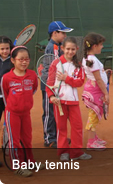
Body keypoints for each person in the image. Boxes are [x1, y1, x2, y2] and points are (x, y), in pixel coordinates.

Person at [1, 46, 46, 177]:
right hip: (12, 113)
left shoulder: (32, 75)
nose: (24, 62)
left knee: (27, 139)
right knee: (14, 140)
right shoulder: (6, 78)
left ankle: (30, 162)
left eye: (26, 59)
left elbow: (33, 90)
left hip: (26, 113)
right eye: (20, 59)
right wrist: (11, 109)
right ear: (13, 61)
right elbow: (5, 95)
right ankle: (17, 166)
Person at [46, 37, 92, 161]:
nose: (70, 52)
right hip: (59, 102)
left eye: (72, 49)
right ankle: (63, 152)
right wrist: (51, 96)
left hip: (73, 101)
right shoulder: (56, 63)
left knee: (77, 127)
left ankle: (76, 152)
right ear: (62, 49)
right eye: (67, 49)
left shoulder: (79, 65)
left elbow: (80, 82)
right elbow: (49, 82)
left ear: (76, 50)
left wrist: (66, 78)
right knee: (61, 128)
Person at [41, 21, 73, 148]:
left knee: (56, 111)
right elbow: (54, 67)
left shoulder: (58, 46)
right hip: (50, 84)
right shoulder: (52, 47)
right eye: (63, 33)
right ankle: (49, 139)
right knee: (49, 113)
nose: (65, 36)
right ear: (55, 33)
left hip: (56, 84)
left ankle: (56, 136)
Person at [82, 33, 109, 150]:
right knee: (93, 116)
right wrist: (106, 94)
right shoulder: (92, 60)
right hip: (95, 92)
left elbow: (97, 75)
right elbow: (98, 79)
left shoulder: (88, 58)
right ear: (94, 46)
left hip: (91, 90)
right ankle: (91, 142)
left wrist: (104, 72)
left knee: (94, 115)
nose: (102, 46)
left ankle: (94, 138)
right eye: (101, 44)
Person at [0, 36, 14, 168]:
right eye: (2, 49)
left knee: (8, 124)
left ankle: (9, 150)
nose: (5, 51)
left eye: (7, 48)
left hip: (9, 98)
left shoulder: (13, 61)